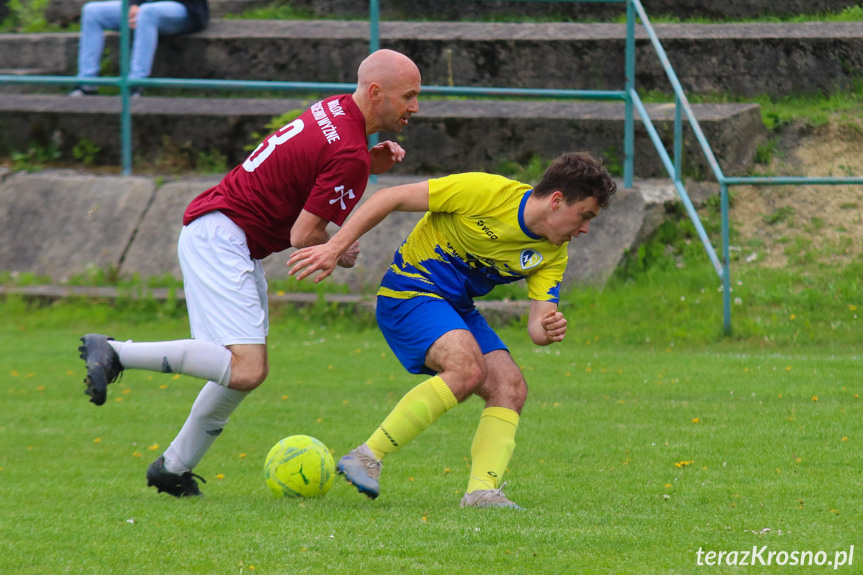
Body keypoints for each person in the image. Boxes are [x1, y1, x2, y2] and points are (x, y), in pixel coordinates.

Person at [77, 49, 422, 497]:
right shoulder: (350, 152)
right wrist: (337, 248)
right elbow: (304, 233)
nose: (415, 107)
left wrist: (362, 168)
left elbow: (314, 165)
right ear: (376, 93)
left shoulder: (336, 110)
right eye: (408, 96)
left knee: (239, 373)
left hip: (226, 234)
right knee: (246, 369)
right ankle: (114, 352)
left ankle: (173, 468)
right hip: (223, 238)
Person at [287, 152, 617, 508]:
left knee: (510, 386)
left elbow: (538, 327)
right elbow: (390, 197)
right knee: (467, 368)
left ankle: (481, 493)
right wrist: (335, 246)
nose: (584, 230)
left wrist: (549, 328)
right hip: (410, 290)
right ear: (556, 201)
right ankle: (367, 456)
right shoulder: (486, 192)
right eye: (584, 216)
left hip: (456, 308)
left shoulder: (553, 253)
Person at [70, 0, 209, 97]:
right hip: (145, 7)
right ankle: (87, 83)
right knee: (92, 11)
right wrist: (134, 4)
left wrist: (139, 6)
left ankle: (135, 84)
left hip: (184, 9)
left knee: (147, 12)